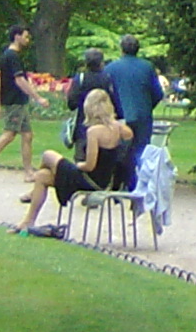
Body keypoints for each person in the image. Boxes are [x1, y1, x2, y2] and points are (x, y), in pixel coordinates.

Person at [16, 88, 131, 234]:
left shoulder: (94, 132)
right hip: (105, 180)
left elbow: (90, 165)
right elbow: (128, 144)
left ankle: (33, 193)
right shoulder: (120, 128)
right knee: (42, 176)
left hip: (90, 179)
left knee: (48, 155)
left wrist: (79, 165)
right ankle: (28, 221)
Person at [0, 24, 39, 184]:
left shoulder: (8, 56)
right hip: (14, 101)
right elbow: (19, 80)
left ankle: (29, 172)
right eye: (25, 36)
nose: (27, 39)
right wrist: (38, 97)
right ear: (17, 36)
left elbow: (1, 81)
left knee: (27, 135)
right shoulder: (12, 57)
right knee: (9, 134)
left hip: (17, 101)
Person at [104, 35, 165, 161]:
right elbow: (158, 93)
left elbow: (106, 95)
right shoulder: (147, 67)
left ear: (121, 49)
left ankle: (121, 179)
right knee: (142, 154)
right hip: (143, 116)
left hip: (119, 117)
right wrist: (147, 107)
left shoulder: (110, 68)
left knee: (120, 153)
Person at [64, 48, 109, 150]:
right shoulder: (107, 78)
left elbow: (71, 103)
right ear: (101, 62)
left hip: (83, 126)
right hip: (104, 125)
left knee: (82, 158)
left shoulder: (81, 78)